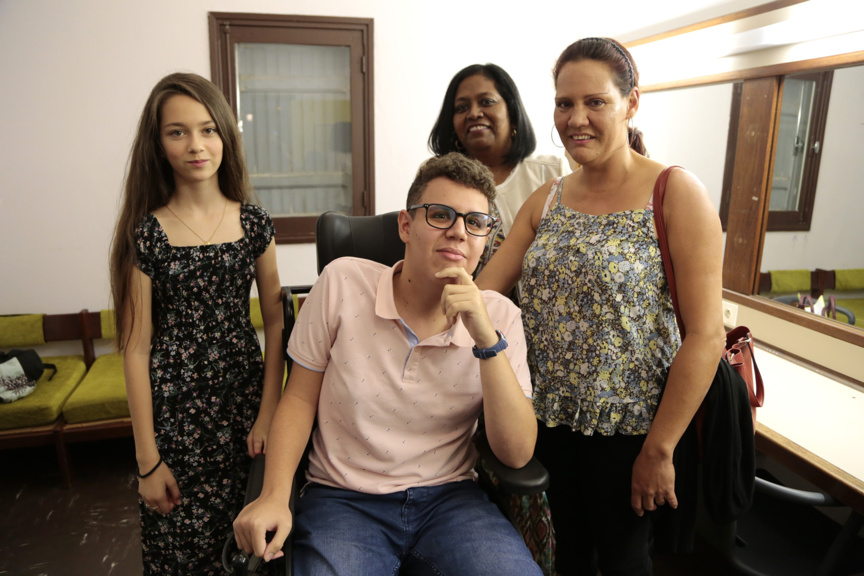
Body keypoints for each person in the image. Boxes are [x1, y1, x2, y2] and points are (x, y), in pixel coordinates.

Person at [475, 38, 726, 576]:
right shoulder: (548, 199)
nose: (576, 119)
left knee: (622, 561)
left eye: (596, 102)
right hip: (546, 423)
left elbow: (707, 335)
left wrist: (659, 451)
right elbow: (486, 296)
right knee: (564, 558)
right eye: (564, 104)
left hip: (632, 433)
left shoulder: (676, 193)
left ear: (632, 103)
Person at [233, 153, 543, 576]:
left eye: (475, 223)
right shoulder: (342, 283)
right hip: (344, 499)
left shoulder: (501, 317)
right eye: (440, 215)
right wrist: (273, 494)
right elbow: (299, 400)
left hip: (450, 501)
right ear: (405, 225)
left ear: (486, 239)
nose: (457, 231)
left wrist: (485, 338)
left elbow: (518, 452)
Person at [109, 72, 284, 575]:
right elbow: (135, 348)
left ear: (226, 135)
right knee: (180, 550)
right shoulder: (147, 234)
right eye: (177, 132)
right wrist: (147, 459)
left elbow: (276, 324)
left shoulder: (254, 222)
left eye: (208, 129)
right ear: (157, 143)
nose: (196, 145)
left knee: (251, 544)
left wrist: (268, 409)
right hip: (175, 418)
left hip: (243, 405)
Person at [429, 63, 570, 272]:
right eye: (461, 107)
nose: (474, 113)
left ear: (512, 113)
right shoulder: (435, 175)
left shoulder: (550, 172)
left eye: (486, 102)